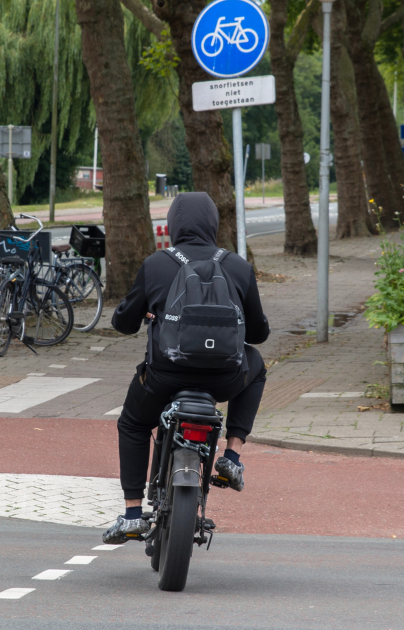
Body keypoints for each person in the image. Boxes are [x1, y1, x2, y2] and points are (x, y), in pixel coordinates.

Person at [103, 192, 270, 544]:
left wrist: (146, 310)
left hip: (164, 378)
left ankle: (132, 515)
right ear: (213, 224)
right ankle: (232, 456)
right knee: (256, 364)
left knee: (133, 424)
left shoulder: (156, 264)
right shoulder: (238, 266)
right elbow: (258, 334)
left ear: (172, 225)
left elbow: (123, 324)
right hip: (223, 380)